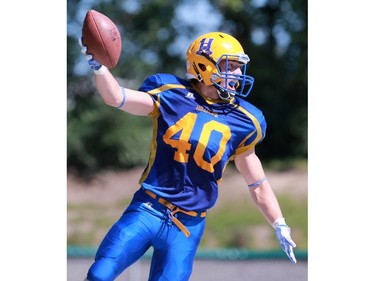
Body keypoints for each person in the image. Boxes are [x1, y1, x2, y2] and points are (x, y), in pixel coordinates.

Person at [79, 31, 297, 281]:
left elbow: (257, 183)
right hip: (148, 209)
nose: (237, 74)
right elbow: (116, 97)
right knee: (99, 274)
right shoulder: (171, 92)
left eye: (239, 67)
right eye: (231, 65)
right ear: (204, 65)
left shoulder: (246, 120)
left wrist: (278, 222)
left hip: (188, 225)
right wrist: (98, 67)